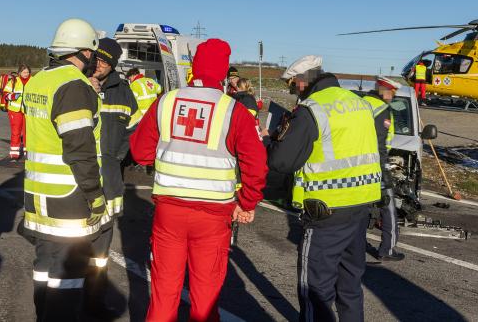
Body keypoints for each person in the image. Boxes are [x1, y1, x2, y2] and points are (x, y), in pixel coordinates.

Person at [130, 38, 268, 322]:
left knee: (163, 293)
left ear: (195, 68)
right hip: (214, 216)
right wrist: (247, 201)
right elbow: (256, 163)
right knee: (205, 299)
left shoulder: (166, 102)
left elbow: (141, 153)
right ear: (223, 72)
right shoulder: (234, 110)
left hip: (169, 211)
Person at [265, 55, 381, 322]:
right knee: (350, 287)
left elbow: (282, 161)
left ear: (303, 82)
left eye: (293, 85)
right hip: (361, 207)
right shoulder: (360, 104)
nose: (293, 92)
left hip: (326, 212)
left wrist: (272, 141)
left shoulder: (312, 109)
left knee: (314, 290)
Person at [22, 18, 107, 322]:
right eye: (93, 53)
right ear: (83, 52)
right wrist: (96, 197)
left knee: (45, 268)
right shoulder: (74, 86)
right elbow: (80, 151)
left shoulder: (39, 80)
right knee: (68, 275)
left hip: (38, 193)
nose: (96, 60)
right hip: (68, 197)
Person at [83, 38, 141, 316]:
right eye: (96, 59)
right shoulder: (77, 82)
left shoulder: (123, 92)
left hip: (108, 183)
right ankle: (66, 303)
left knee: (99, 252)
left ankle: (94, 302)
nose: (98, 66)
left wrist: (116, 157)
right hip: (76, 182)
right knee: (71, 249)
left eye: (105, 62)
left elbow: (135, 128)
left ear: (114, 65)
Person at [364, 76, 404, 261]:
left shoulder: (362, 103)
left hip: (357, 165)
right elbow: (380, 143)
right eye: (390, 92)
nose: (391, 96)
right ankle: (387, 249)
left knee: (360, 207)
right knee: (388, 207)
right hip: (376, 164)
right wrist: (383, 170)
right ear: (381, 90)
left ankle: (355, 243)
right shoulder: (382, 110)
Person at [3, 64, 31, 160]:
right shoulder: (14, 81)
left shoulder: (33, 81)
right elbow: (5, 94)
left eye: (27, 72)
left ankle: (28, 153)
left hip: (28, 111)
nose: (26, 74)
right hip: (15, 111)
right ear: (19, 73)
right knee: (16, 132)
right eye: (24, 72)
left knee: (28, 132)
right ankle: (14, 154)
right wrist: (13, 96)